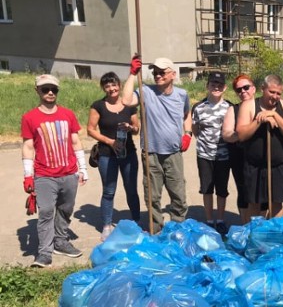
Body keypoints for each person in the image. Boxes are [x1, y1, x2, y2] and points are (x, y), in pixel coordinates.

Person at [21, 74, 89, 267]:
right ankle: (44, 252)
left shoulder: (68, 114)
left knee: (66, 209)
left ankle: (60, 241)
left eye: (54, 89)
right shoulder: (29, 117)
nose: (50, 92)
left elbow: (75, 142)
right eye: (45, 89)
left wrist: (83, 168)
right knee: (46, 212)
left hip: (69, 172)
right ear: (38, 91)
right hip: (44, 175)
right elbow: (28, 146)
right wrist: (28, 175)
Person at [121, 56, 192, 233]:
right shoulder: (145, 91)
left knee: (178, 193)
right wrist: (132, 74)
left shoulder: (182, 95)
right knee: (152, 195)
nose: (157, 75)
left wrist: (188, 134)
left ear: (173, 74)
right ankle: (156, 228)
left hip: (174, 152)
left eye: (162, 72)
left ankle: (178, 227)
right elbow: (126, 101)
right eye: (155, 72)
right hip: (151, 153)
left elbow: (187, 114)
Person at [87, 72, 141, 241]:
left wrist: (130, 128)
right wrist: (109, 142)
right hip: (107, 154)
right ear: (104, 88)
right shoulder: (98, 106)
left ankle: (137, 222)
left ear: (119, 84)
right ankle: (106, 226)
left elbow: (137, 128)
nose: (111, 88)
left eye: (114, 84)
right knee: (109, 191)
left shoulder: (129, 105)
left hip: (128, 153)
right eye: (107, 86)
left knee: (131, 190)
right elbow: (90, 129)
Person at [236, 74, 283, 219]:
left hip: (278, 165)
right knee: (254, 204)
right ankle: (256, 236)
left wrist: (274, 116)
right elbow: (242, 134)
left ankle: (275, 236)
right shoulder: (249, 105)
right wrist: (259, 120)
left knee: (276, 204)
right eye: (272, 92)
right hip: (254, 165)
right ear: (263, 89)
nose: (275, 96)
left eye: (278, 93)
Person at [192, 71, 231, 235]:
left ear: (225, 88)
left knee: (222, 189)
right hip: (204, 155)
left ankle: (220, 220)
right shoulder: (199, 107)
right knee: (207, 189)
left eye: (219, 85)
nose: (216, 87)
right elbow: (195, 130)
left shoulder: (230, 107)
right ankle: (209, 220)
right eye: (213, 84)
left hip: (224, 156)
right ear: (207, 86)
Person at [221, 74, 258, 224]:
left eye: (246, 87)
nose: (243, 91)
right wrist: (242, 133)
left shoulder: (262, 106)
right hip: (240, 157)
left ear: (253, 88)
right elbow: (226, 134)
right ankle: (245, 225)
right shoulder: (233, 109)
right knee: (244, 192)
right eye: (238, 89)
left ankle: (261, 226)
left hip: (260, 157)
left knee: (261, 193)